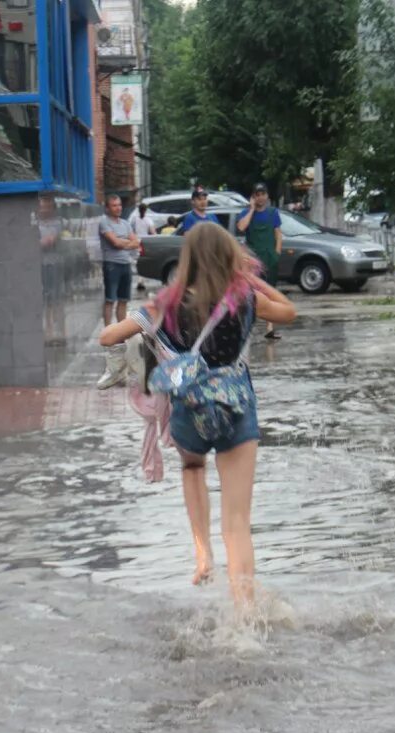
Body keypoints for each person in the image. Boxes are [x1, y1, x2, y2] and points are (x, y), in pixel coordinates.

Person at [99, 223, 296, 607]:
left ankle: (202, 553)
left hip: (189, 409)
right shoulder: (245, 300)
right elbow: (289, 311)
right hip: (236, 407)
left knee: (193, 471)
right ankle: (244, 613)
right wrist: (251, 280)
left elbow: (108, 338)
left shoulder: (163, 305)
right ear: (229, 259)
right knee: (238, 523)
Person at [96, 193, 140, 389]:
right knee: (110, 300)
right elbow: (115, 243)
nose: (118, 208)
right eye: (114, 205)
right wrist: (126, 243)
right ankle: (109, 332)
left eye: (119, 205)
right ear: (107, 207)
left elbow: (135, 242)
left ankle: (120, 332)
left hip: (125, 264)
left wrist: (126, 242)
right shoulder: (104, 222)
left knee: (123, 300)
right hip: (111, 265)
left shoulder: (125, 223)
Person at [237, 182, 284, 340]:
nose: (260, 197)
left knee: (270, 292)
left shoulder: (273, 213)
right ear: (253, 197)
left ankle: (270, 328)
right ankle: (247, 327)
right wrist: (251, 209)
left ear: (267, 196)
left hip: (270, 257)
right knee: (251, 293)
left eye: (263, 194)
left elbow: (278, 234)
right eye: (257, 195)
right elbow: (242, 227)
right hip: (253, 260)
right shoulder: (245, 213)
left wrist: (277, 252)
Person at [129, 202, 157, 293]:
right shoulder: (149, 220)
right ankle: (141, 281)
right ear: (145, 210)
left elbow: (130, 231)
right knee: (143, 262)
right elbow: (153, 233)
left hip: (136, 242)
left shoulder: (134, 219)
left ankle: (140, 280)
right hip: (145, 242)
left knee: (137, 262)